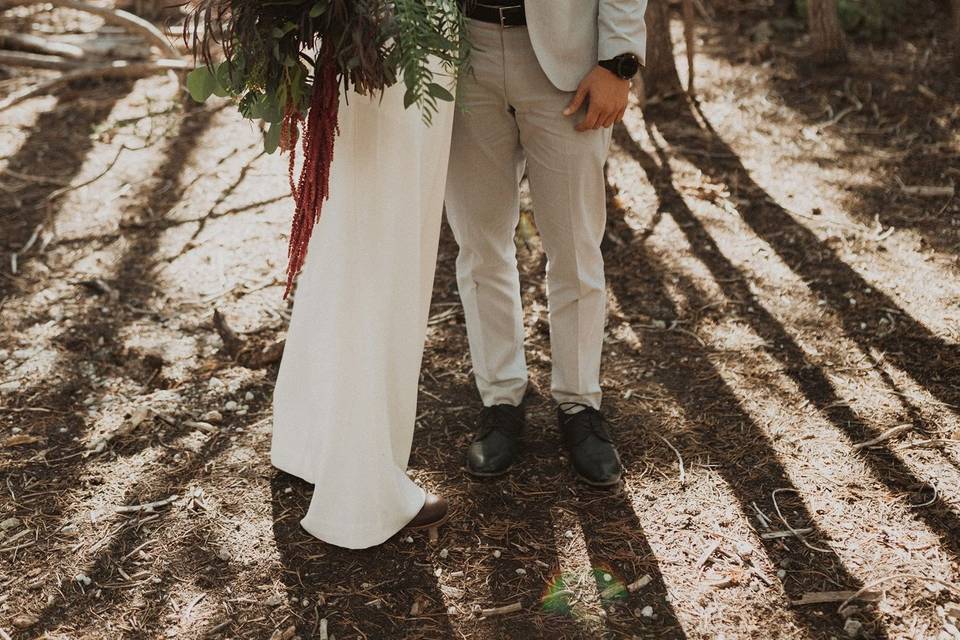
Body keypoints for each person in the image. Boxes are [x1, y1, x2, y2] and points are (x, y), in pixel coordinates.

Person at [445, 0, 647, 486]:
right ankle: (500, 399)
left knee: (576, 248)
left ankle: (579, 403)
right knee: (480, 245)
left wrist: (618, 61)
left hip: (570, 63)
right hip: (459, 52)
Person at [270, 81, 455, 549]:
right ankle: (361, 489)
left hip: (375, 54)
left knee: (352, 233)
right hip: (397, 56)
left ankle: (309, 438)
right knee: (381, 243)